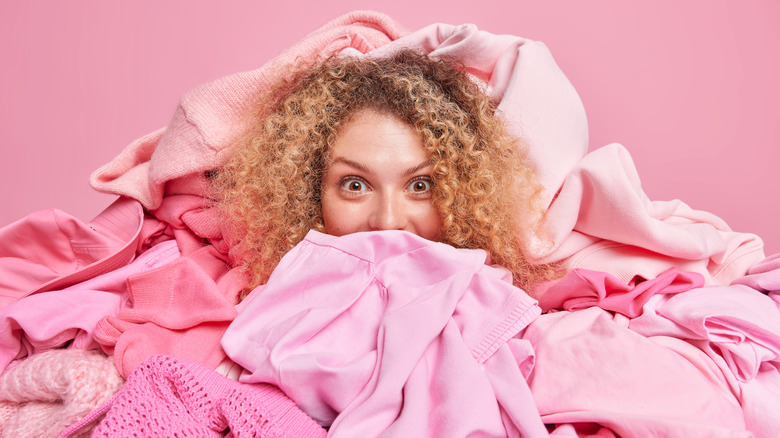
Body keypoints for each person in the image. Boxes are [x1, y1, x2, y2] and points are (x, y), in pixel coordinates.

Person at [214, 50, 559, 297]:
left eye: (421, 185)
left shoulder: (506, 312)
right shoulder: (260, 317)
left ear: (466, 199)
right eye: (355, 184)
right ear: (308, 194)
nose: (388, 221)